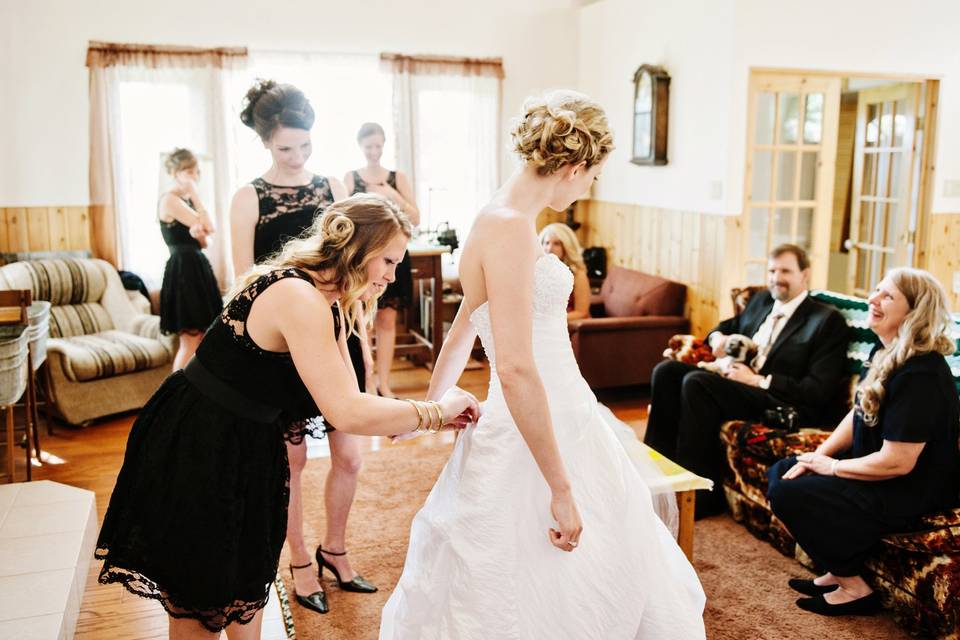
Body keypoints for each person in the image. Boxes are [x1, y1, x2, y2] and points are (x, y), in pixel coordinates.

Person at [380, 90, 705, 639]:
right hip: (539, 417)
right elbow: (515, 369)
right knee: (539, 572)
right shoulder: (508, 226)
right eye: (594, 176)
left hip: (566, 408)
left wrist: (429, 407)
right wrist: (559, 486)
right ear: (575, 165)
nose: (588, 188)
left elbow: (465, 323)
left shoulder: (500, 218)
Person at [96, 195, 480, 640]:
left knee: (245, 593)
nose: (393, 277)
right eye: (389, 261)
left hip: (250, 443)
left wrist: (408, 418)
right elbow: (346, 410)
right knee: (200, 609)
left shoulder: (329, 300)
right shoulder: (297, 295)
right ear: (356, 249)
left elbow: (351, 398)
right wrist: (432, 413)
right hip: (200, 442)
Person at [229, 79, 376, 615]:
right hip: (282, 348)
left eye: (305, 146)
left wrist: (360, 335)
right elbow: (243, 284)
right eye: (286, 148)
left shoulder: (331, 186)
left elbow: (352, 264)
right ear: (266, 142)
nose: (297, 158)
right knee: (290, 462)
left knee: (352, 456)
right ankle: (298, 560)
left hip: (337, 336)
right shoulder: (249, 197)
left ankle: (334, 548)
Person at [767, 268, 960, 616]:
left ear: (914, 312)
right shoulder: (885, 349)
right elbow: (857, 414)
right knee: (785, 470)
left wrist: (833, 467)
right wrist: (816, 456)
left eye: (887, 296)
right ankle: (835, 568)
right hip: (880, 470)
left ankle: (853, 587)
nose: (873, 300)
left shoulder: (922, 375)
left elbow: (899, 462)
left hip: (909, 488)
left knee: (787, 492)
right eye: (876, 291)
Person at [643, 244, 849, 518]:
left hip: (780, 399)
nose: (776, 278)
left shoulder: (825, 320)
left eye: (785, 271)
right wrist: (719, 339)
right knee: (666, 372)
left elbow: (818, 390)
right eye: (772, 270)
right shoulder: (761, 301)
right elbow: (721, 329)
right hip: (736, 384)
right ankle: (657, 479)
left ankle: (700, 497)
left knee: (697, 383)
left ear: (805, 275)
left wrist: (757, 380)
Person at [345, 122, 420, 399]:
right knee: (361, 321)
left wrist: (392, 195)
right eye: (369, 146)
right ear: (360, 146)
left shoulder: (396, 177)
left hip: (394, 254)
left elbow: (415, 217)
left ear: (384, 144)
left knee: (387, 321)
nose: (374, 151)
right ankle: (365, 381)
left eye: (378, 145)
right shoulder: (351, 178)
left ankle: (384, 384)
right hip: (364, 257)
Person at [157, 148, 221, 370]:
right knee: (190, 341)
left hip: (198, 267)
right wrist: (195, 194)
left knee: (204, 338)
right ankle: (174, 397)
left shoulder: (187, 203)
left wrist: (201, 236)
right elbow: (210, 227)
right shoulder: (171, 200)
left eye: (196, 172)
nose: (194, 177)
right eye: (188, 172)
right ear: (175, 172)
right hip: (183, 271)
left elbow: (205, 241)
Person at [539, 222, 590, 321]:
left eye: (557, 244)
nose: (549, 249)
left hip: (570, 325)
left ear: (567, 247)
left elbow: (582, 312)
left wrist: (550, 321)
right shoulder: (538, 271)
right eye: (547, 243)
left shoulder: (578, 274)